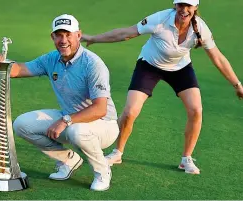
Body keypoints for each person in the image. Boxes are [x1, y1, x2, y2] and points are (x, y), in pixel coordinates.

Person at [82, 0, 243, 174]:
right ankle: (117, 153)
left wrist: (237, 85)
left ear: (195, 8)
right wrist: (93, 38)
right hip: (149, 66)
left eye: (189, 6)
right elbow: (126, 33)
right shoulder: (160, 19)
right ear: (175, 6)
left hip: (180, 69)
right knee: (130, 112)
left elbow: (217, 57)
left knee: (196, 110)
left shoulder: (200, 29)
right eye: (181, 5)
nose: (184, 9)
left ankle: (186, 159)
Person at [0, 14, 119, 191]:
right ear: (53, 37)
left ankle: (102, 171)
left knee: (77, 131)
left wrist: (65, 121)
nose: (63, 40)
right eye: (59, 35)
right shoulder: (51, 59)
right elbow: (21, 69)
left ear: (78, 35)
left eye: (68, 35)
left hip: (104, 125)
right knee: (22, 124)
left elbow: (100, 109)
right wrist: (1, 62)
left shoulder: (93, 63)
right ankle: (68, 159)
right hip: (71, 121)